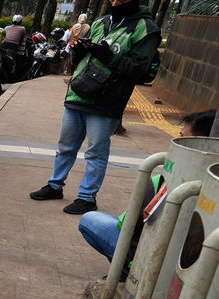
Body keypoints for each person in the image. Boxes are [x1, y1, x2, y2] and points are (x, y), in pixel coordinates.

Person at [28, 0, 161, 215]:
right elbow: (83, 58)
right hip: (78, 93)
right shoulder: (100, 22)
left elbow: (138, 69)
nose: (115, 1)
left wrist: (105, 54)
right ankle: (55, 185)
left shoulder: (147, 29)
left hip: (107, 100)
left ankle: (87, 197)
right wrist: (78, 49)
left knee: (95, 151)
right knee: (65, 146)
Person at [77, 110, 214, 277]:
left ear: (196, 143)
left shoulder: (169, 178)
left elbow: (127, 222)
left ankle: (125, 270)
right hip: (198, 270)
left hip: (149, 260)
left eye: (181, 136)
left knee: (89, 220)